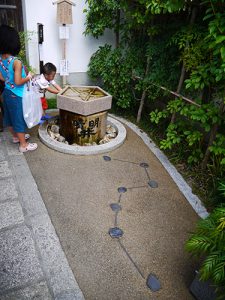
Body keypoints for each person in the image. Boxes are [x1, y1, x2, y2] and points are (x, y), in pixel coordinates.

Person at [0, 24, 37, 152]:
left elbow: (2, 78)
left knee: (9, 118)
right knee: (18, 119)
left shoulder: (0, 59)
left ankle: (16, 137)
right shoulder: (16, 61)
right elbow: (18, 81)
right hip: (17, 95)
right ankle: (23, 145)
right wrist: (28, 77)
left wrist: (9, 81)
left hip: (6, 92)